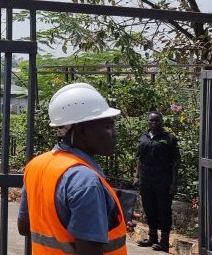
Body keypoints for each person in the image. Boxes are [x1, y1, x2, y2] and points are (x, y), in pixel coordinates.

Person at [17, 82, 129, 255]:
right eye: (108, 126)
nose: (115, 133)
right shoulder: (85, 180)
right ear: (82, 131)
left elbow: (24, 227)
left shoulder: (36, 165)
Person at [135, 111, 180, 251]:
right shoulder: (143, 136)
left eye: (156, 120)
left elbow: (175, 161)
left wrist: (173, 182)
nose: (154, 123)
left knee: (164, 210)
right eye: (151, 120)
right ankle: (152, 237)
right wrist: (137, 176)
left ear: (162, 121)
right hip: (146, 179)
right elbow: (139, 159)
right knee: (149, 208)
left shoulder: (169, 138)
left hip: (163, 180)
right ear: (148, 121)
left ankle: (164, 242)